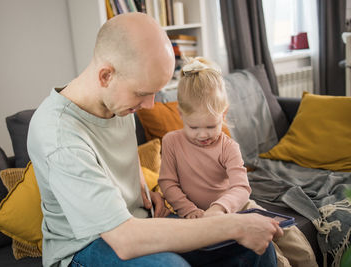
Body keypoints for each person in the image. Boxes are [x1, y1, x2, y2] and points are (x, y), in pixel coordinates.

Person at [27, 12, 283, 267]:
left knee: (255, 248)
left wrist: (141, 192)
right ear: (106, 76)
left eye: (155, 93)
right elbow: (124, 239)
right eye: (143, 93)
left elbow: (115, 160)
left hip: (136, 222)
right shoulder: (59, 134)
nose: (149, 105)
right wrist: (232, 224)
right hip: (86, 247)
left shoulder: (119, 103)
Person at [158, 57, 318, 267]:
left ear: (223, 114)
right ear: (181, 115)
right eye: (194, 127)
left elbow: (241, 187)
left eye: (211, 125)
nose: (203, 134)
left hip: (235, 207)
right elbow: (167, 183)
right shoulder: (171, 141)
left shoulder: (228, 146)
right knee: (270, 251)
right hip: (194, 214)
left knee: (291, 237)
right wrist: (189, 210)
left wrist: (219, 208)